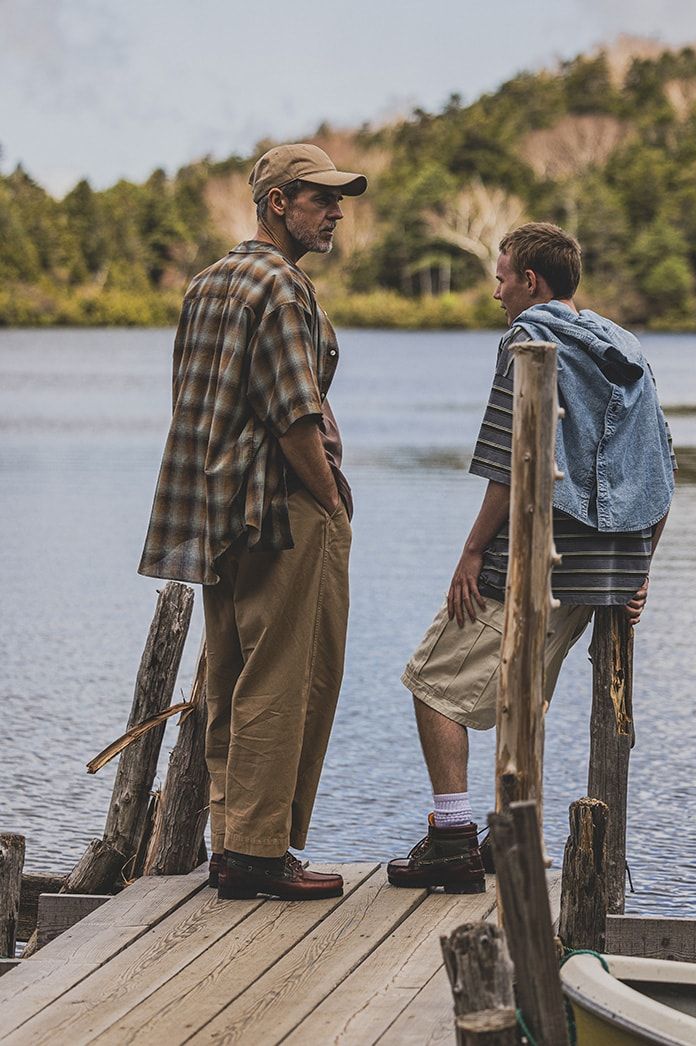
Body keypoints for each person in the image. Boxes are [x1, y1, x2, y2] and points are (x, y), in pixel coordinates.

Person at [387, 222, 676, 894]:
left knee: (432, 684)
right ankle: (513, 834)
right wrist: (641, 567)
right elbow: (661, 460)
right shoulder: (624, 346)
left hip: (543, 552)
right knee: (525, 697)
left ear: (531, 283)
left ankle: (454, 839)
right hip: (607, 566)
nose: (495, 291)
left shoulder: (528, 337)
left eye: (501, 275)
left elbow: (509, 457)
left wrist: (470, 551)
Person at [139, 143, 367, 901]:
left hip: (216, 511)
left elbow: (216, 396)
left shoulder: (210, 282)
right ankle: (262, 856)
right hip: (278, 512)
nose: (336, 212)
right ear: (278, 202)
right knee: (285, 678)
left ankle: (234, 845)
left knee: (234, 674)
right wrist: (331, 500)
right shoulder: (281, 284)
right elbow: (293, 416)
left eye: (339, 199)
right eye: (321, 198)